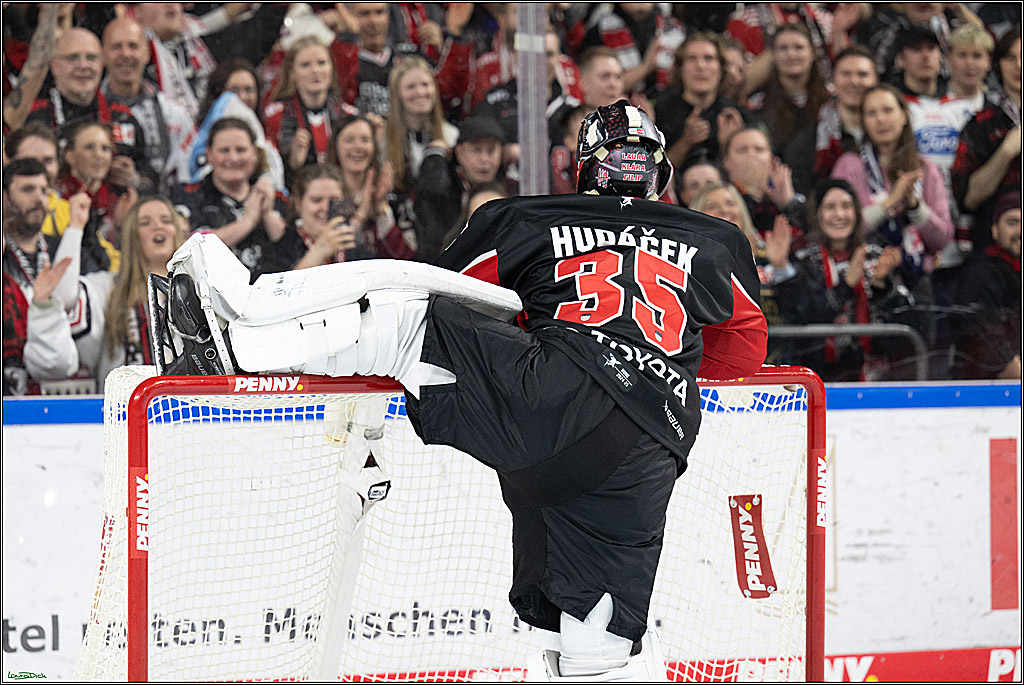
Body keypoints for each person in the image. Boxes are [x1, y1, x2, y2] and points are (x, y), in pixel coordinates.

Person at [154, 99, 768, 681]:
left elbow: (445, 289)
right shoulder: (718, 240)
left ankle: (234, 344)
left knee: (403, 316)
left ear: (583, 168)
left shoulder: (526, 217)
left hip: (549, 401)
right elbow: (743, 352)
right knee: (594, 641)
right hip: (648, 446)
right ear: (659, 170)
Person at [769, 179, 906, 381]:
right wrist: (846, 286)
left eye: (846, 206)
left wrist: (881, 286)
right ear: (818, 215)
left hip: (875, 377)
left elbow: (905, 322)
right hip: (815, 377)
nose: (839, 214)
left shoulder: (875, 255)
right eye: (830, 207)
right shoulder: (803, 259)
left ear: (857, 213)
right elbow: (806, 315)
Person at [832, 84, 953, 292]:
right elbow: (839, 230)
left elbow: (942, 238)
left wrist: (914, 206)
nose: (880, 119)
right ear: (864, 122)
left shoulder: (925, 169)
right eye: (871, 113)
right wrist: (890, 202)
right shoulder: (849, 165)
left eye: (887, 110)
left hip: (917, 282)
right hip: (861, 280)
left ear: (904, 115)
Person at [170, 116, 290, 283]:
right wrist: (246, 223)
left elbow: (292, 252)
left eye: (241, 150)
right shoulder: (186, 195)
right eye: (224, 150)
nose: (233, 158)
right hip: (210, 301)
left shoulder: (275, 197)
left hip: (272, 297)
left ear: (255, 154)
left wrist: (267, 212)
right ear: (209, 154)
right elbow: (189, 249)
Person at [100, 17, 195, 195]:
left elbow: (188, 178)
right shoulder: (89, 110)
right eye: (116, 47)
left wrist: (138, 181)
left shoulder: (174, 114)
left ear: (147, 54)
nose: (125, 54)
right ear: (103, 54)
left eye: (133, 46)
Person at [951, 28, 1021, 253]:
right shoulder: (981, 123)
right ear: (997, 64)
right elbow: (968, 198)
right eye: (1011, 58)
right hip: (992, 253)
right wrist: (1006, 152)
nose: (1019, 65)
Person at [413, 116, 512, 263]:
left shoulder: (510, 184)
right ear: (459, 152)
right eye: (477, 150)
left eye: (491, 151)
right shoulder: (443, 188)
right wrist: (434, 155)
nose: (485, 160)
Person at [746, 23, 830, 195]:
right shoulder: (758, 104)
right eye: (783, 48)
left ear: (813, 53)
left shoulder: (831, 102)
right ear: (773, 56)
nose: (791, 54)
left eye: (799, 47)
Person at [263, 37, 359, 177]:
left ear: (331, 68)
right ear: (292, 72)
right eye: (305, 65)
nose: (315, 70)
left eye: (321, 63)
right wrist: (290, 163)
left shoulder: (350, 117)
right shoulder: (274, 116)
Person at [950, 193, 1021, 380]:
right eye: (1013, 223)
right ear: (995, 230)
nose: (1020, 230)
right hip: (986, 394)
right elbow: (982, 338)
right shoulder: (980, 273)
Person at [654, 33, 752, 168]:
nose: (700, 66)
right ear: (680, 68)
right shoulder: (659, 113)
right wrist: (685, 143)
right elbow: (651, 173)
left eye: (709, 58)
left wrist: (730, 144)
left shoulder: (736, 116)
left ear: (721, 69)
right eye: (692, 59)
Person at [329, 115, 413, 260]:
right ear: (336, 146)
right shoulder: (322, 197)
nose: (358, 147)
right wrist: (361, 214)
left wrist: (381, 206)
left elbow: (405, 257)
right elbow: (329, 254)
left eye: (365, 140)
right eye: (349, 140)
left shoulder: (390, 196)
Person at [55, 121, 136, 273]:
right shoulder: (57, 197)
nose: (99, 155)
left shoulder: (121, 199)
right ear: (70, 156)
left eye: (105, 148)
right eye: (89, 147)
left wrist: (123, 226)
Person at [814, 45, 878, 177]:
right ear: (833, 80)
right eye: (846, 74)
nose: (854, 81)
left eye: (862, 74)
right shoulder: (811, 139)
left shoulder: (892, 135)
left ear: (875, 81)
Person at [286, 164, 361, 269]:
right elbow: (279, 284)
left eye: (334, 200)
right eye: (317, 200)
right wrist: (320, 251)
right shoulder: (281, 247)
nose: (325, 208)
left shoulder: (354, 248)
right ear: (298, 203)